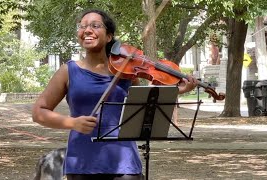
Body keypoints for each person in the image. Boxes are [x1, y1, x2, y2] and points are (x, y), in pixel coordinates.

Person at [32, 9, 198, 180]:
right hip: (82, 162)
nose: (87, 30)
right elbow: (39, 112)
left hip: (124, 162)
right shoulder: (68, 71)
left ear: (109, 36)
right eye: (82, 26)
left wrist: (176, 91)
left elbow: (144, 105)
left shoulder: (127, 71)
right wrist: (72, 123)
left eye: (95, 26)